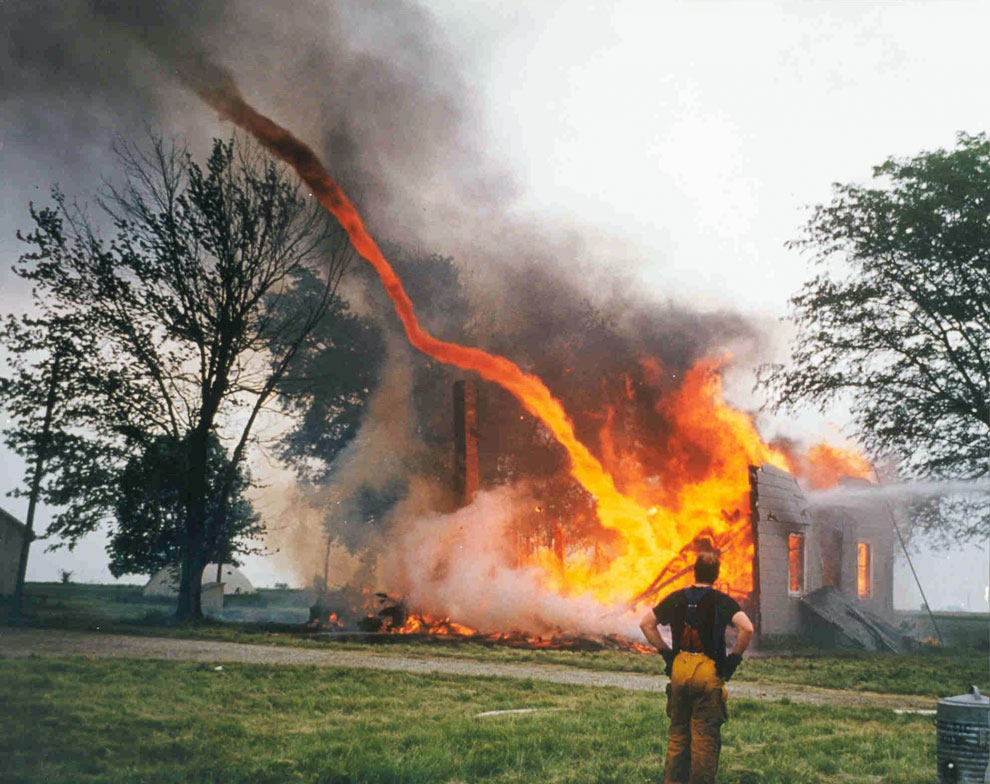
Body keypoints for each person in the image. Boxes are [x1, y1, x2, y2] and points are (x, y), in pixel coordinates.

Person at [639, 551, 754, 784]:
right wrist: (734, 659)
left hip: (679, 669)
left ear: (695, 571)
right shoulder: (721, 601)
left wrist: (665, 651)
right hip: (707, 671)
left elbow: (646, 623)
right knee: (704, 738)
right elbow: (747, 628)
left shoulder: (676, 598)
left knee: (678, 736)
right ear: (716, 574)